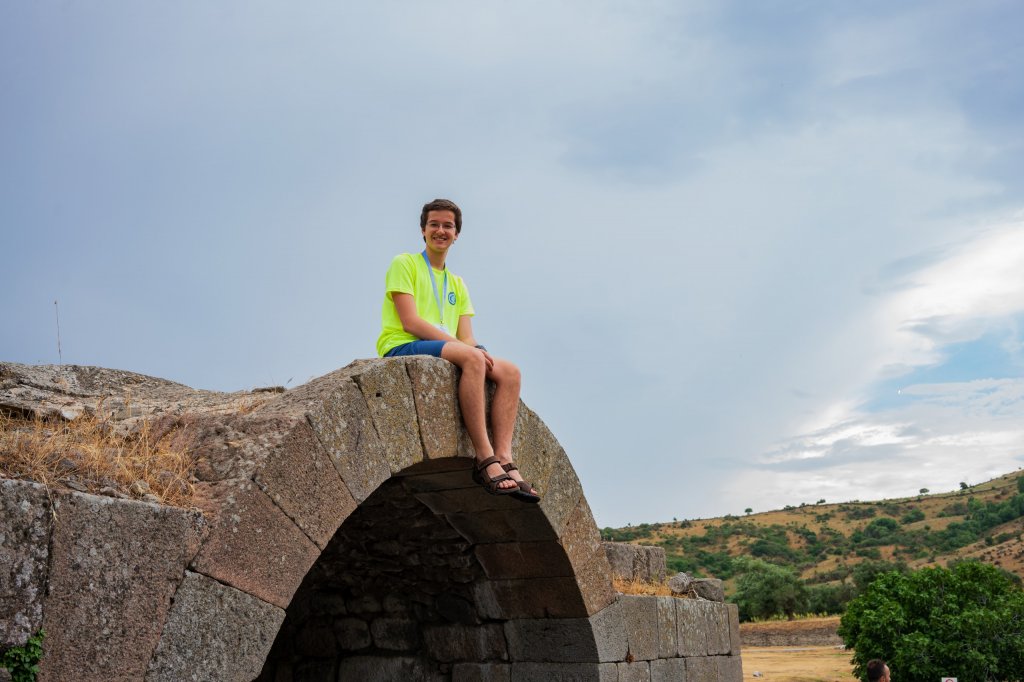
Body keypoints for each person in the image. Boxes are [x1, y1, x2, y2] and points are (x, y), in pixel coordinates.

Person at [376, 198, 539, 503]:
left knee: (510, 371)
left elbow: (466, 337)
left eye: (447, 226)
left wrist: (478, 349)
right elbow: (410, 321)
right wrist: (465, 349)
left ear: (456, 234)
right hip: (403, 344)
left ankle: (505, 457)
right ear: (423, 230)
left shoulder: (457, 283)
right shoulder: (405, 263)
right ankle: (484, 457)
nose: (440, 230)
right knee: (472, 357)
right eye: (434, 224)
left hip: (445, 347)